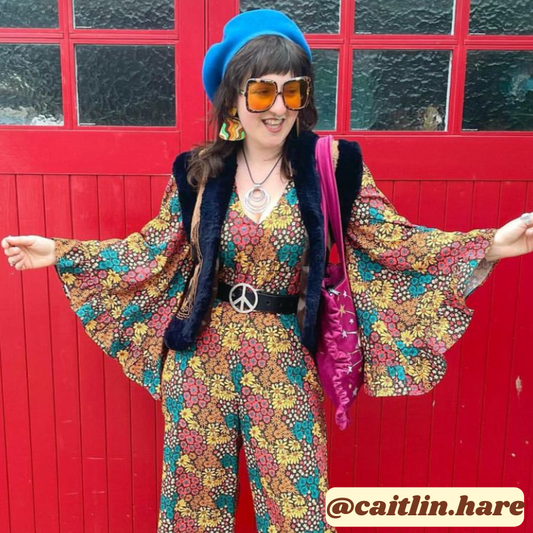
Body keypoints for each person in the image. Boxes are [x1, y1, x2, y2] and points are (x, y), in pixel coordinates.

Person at [2, 8, 533, 533]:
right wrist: (61, 252)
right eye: (261, 92)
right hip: (200, 362)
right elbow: (149, 251)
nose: (277, 107)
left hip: (285, 362)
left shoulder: (333, 166)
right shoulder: (199, 171)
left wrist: (489, 245)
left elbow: (395, 240)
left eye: (291, 90)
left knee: (298, 513)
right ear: (233, 97)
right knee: (192, 514)